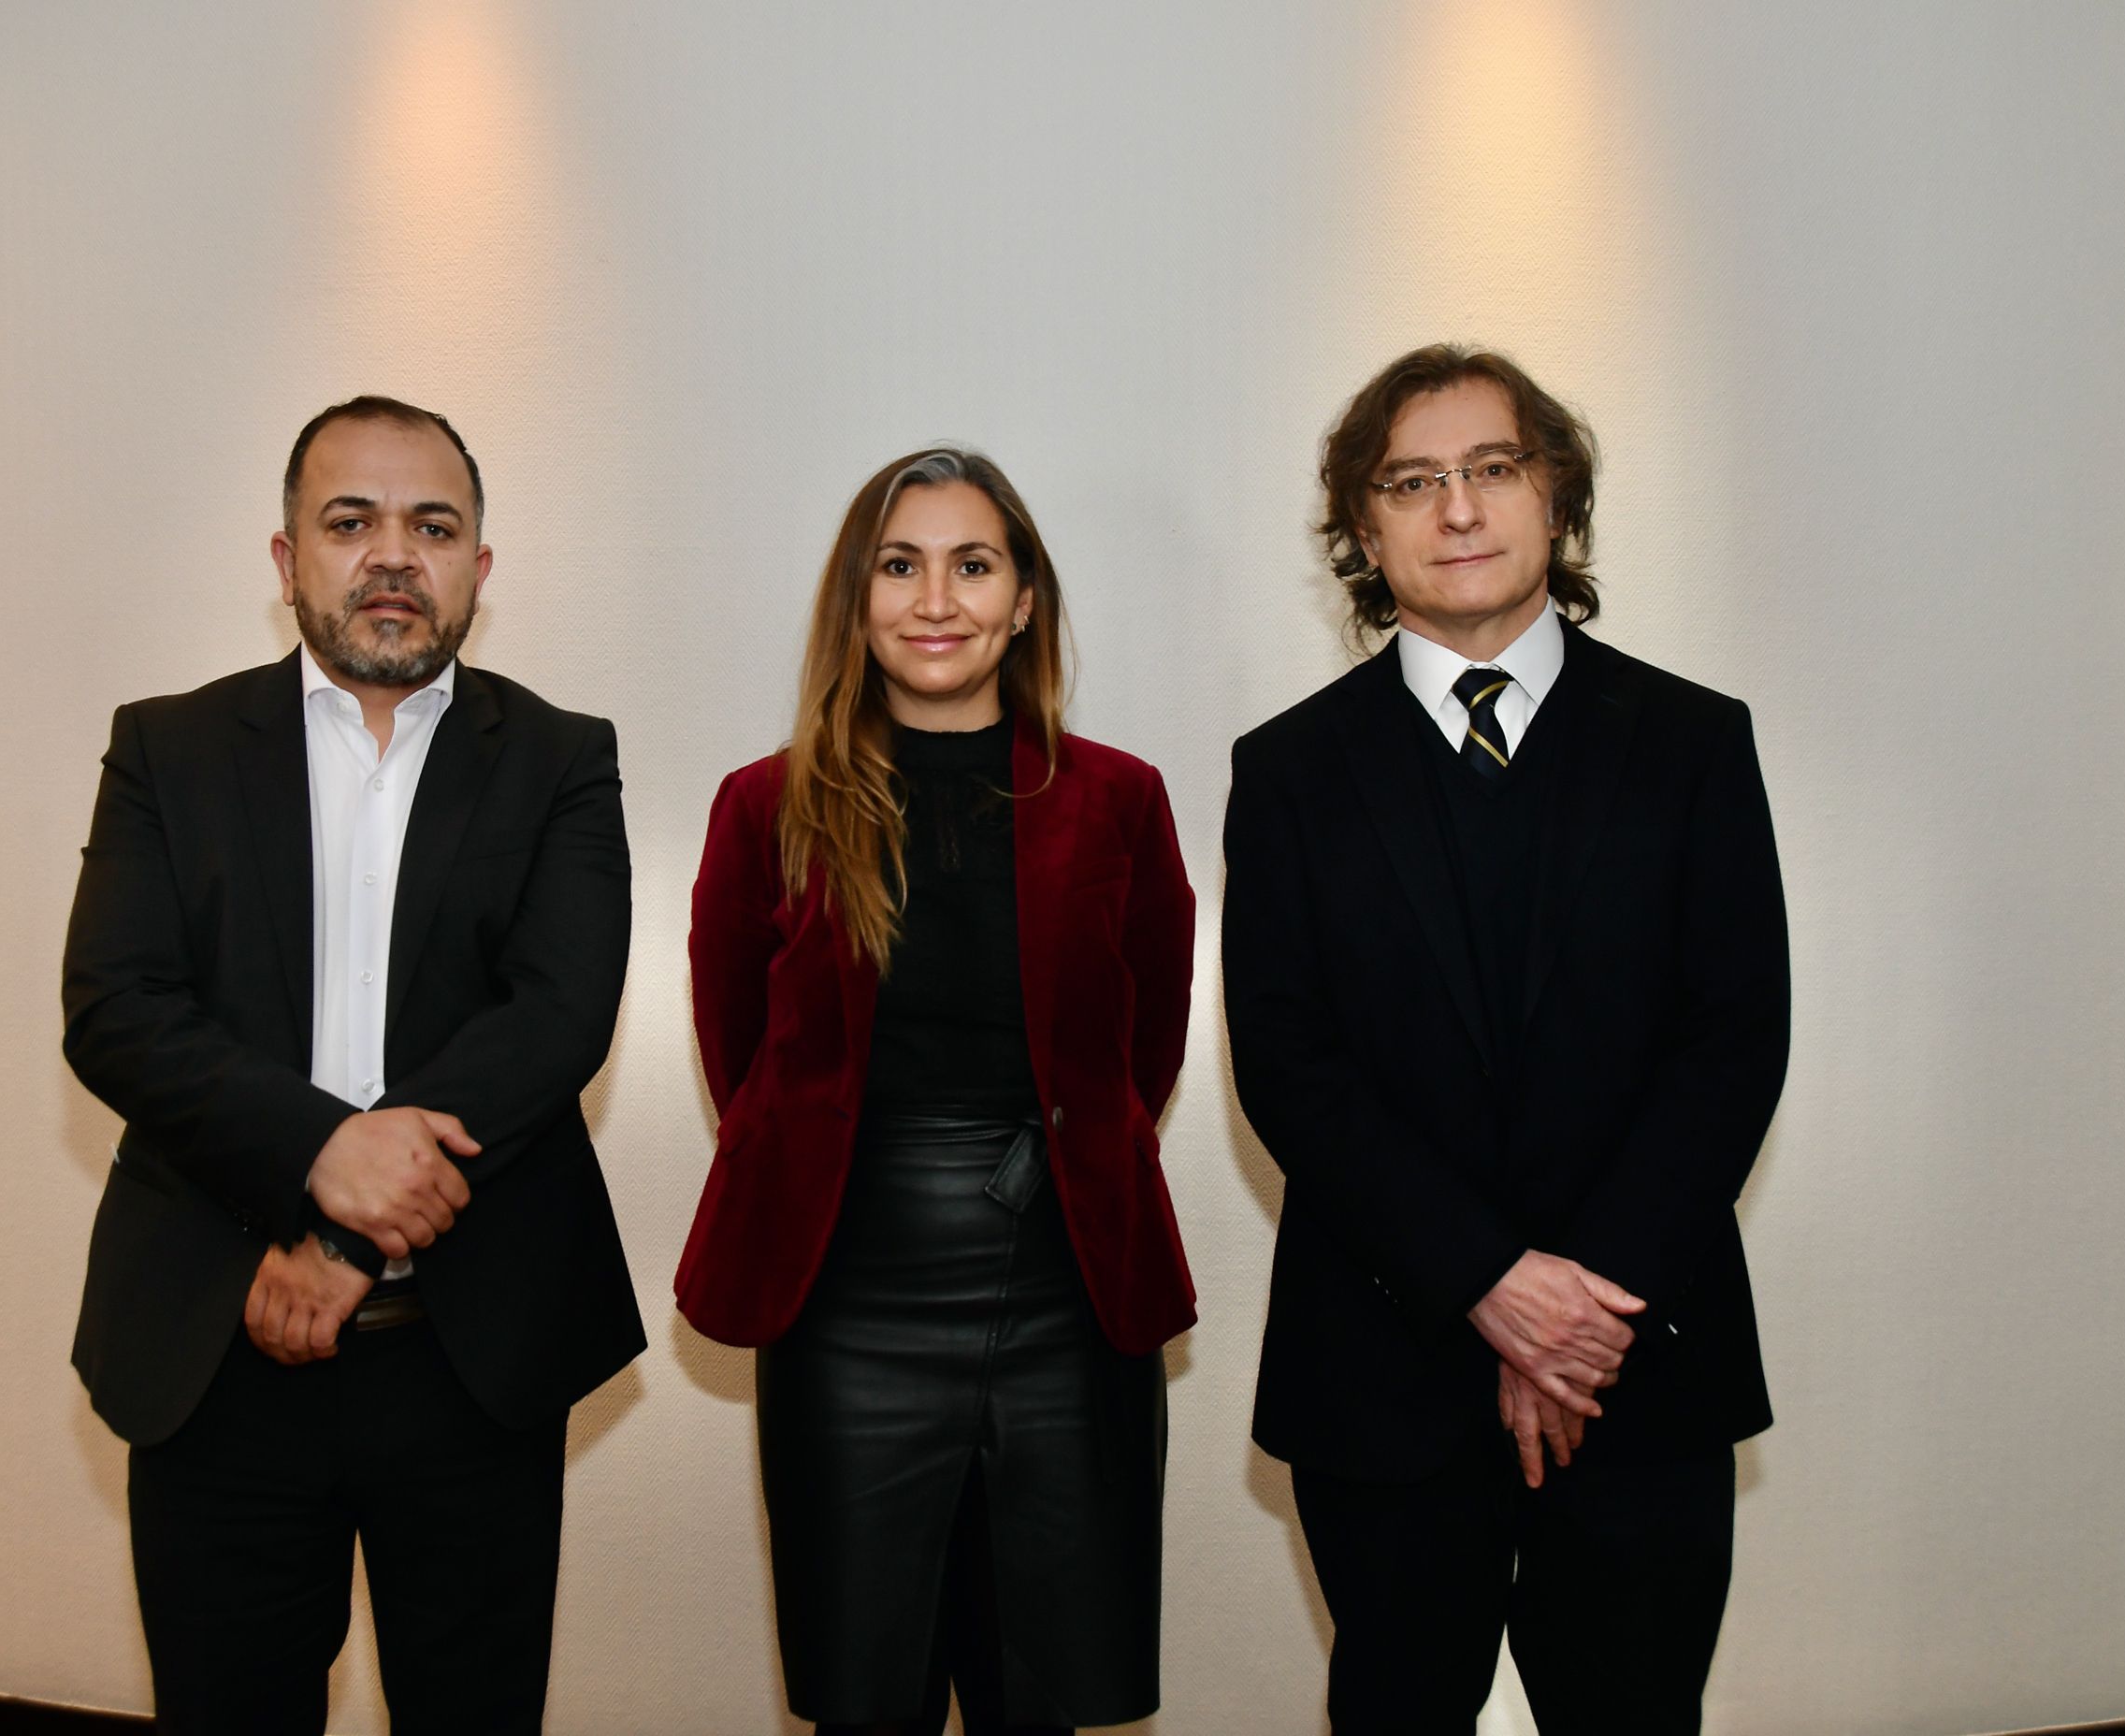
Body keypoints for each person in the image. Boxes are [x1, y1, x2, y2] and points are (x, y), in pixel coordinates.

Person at [1224, 345, 1790, 1733]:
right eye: (1412, 482)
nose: (1459, 507)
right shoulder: (1288, 771)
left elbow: (1734, 1038)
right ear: (1366, 533)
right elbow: (1291, 1063)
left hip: (1638, 1360)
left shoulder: (1695, 742)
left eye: (1493, 468)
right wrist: (1486, 1281)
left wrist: (1576, 1313)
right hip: (1383, 1370)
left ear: (1558, 499)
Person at [61, 396, 644, 1733]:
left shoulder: (562, 758)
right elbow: (117, 1008)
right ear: (287, 560)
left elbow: (557, 1017)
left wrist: (340, 1242)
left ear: (478, 569)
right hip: (217, 1345)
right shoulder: (167, 748)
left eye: (432, 528)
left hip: (471, 1355)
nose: (393, 555)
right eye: (350, 522)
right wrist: (320, 1159)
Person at [677, 449, 1196, 1734]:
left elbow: (1145, 1045)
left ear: (1024, 602)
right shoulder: (766, 806)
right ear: (856, 600)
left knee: (1041, 1698)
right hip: (848, 1297)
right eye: (899, 566)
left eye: (974, 565)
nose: (936, 599)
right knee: (868, 1698)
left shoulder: (1121, 800)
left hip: (1067, 1295)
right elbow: (744, 1057)